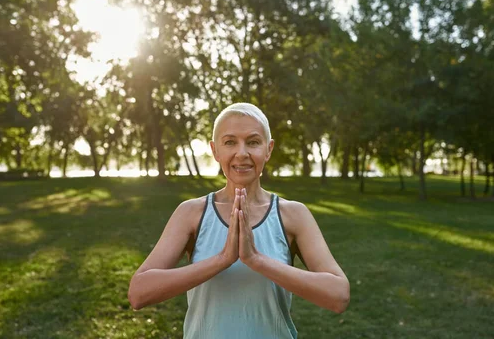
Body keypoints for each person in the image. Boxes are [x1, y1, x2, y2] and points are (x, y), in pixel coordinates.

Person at [128, 103, 350, 338]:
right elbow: (139, 293)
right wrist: (222, 259)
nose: (242, 153)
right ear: (215, 151)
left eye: (253, 142)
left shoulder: (294, 215)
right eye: (230, 142)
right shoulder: (191, 213)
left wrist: (256, 260)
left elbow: (338, 296)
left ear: (268, 149)